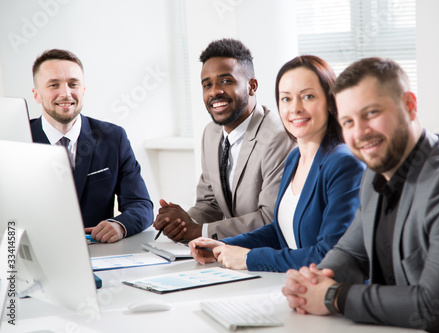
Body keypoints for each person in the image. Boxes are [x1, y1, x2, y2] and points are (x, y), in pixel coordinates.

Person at [281, 57, 439, 332]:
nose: (359, 132)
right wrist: (311, 284)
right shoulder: (375, 173)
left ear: (409, 106)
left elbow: (433, 307)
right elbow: (351, 252)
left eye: (371, 113)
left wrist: (332, 296)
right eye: (348, 121)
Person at [188, 55, 365, 273]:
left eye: (307, 96)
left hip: (331, 296)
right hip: (293, 285)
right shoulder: (295, 158)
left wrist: (249, 258)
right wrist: (226, 246)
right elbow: (280, 230)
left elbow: (330, 255)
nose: (295, 108)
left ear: (330, 101)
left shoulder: (344, 164)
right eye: (286, 99)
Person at [153, 39, 294, 242]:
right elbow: (210, 203)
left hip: (269, 251)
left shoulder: (277, 137)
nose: (214, 91)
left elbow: (270, 218)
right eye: (207, 84)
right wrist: (182, 223)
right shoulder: (211, 134)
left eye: (226, 81)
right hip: (230, 251)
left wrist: (198, 232)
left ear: (252, 86)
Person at [30, 49, 153, 243]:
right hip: (34, 252)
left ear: (83, 90)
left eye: (73, 84)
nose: (66, 93)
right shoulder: (17, 138)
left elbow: (141, 205)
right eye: (54, 85)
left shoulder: (114, 138)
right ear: (36, 95)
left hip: (96, 251)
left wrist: (120, 225)